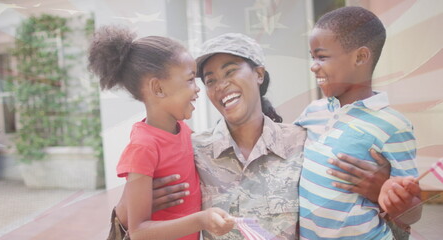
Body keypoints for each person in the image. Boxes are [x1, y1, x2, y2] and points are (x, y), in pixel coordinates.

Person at [151, 32, 394, 240]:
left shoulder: (303, 142)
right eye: (210, 80)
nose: (220, 85)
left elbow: (345, 214)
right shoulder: (194, 150)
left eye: (230, 71)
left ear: (259, 74)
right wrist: (134, 206)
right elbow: (141, 220)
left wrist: (384, 194)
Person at [88, 26, 234, 240]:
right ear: (158, 88)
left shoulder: (183, 130)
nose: (197, 89)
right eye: (190, 79)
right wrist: (201, 220)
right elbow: (139, 232)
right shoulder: (143, 147)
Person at [295, 6, 421, 239]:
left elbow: (412, 213)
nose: (313, 66)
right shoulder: (313, 111)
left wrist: (391, 196)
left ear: (361, 57)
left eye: (322, 56)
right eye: (313, 57)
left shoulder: (393, 125)